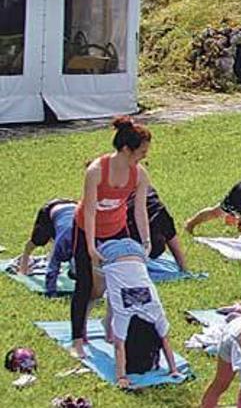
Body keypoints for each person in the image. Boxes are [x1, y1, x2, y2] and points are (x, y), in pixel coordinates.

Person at [70, 117, 153, 359]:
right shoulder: (96, 171)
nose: (144, 156)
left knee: (120, 279)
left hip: (117, 228)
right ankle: (77, 338)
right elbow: (89, 210)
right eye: (142, 151)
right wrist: (91, 247)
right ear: (127, 150)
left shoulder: (139, 174)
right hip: (87, 228)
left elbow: (139, 209)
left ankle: (110, 324)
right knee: (86, 284)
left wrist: (145, 241)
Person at [98, 239, 181, 388]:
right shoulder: (124, 316)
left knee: (114, 294)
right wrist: (121, 376)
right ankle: (108, 329)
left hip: (138, 253)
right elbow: (118, 347)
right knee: (114, 293)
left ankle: (107, 329)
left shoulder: (155, 312)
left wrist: (173, 369)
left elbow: (165, 341)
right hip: (110, 254)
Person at [16, 198, 77, 297]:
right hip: (51, 209)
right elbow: (52, 270)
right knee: (37, 241)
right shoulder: (61, 248)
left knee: (63, 232)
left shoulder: (88, 247)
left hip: (73, 208)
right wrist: (51, 292)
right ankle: (24, 264)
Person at [126, 186, 188, 271]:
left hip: (142, 196)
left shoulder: (162, 220)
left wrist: (184, 269)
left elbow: (174, 244)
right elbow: (174, 244)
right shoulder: (161, 218)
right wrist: (184, 268)